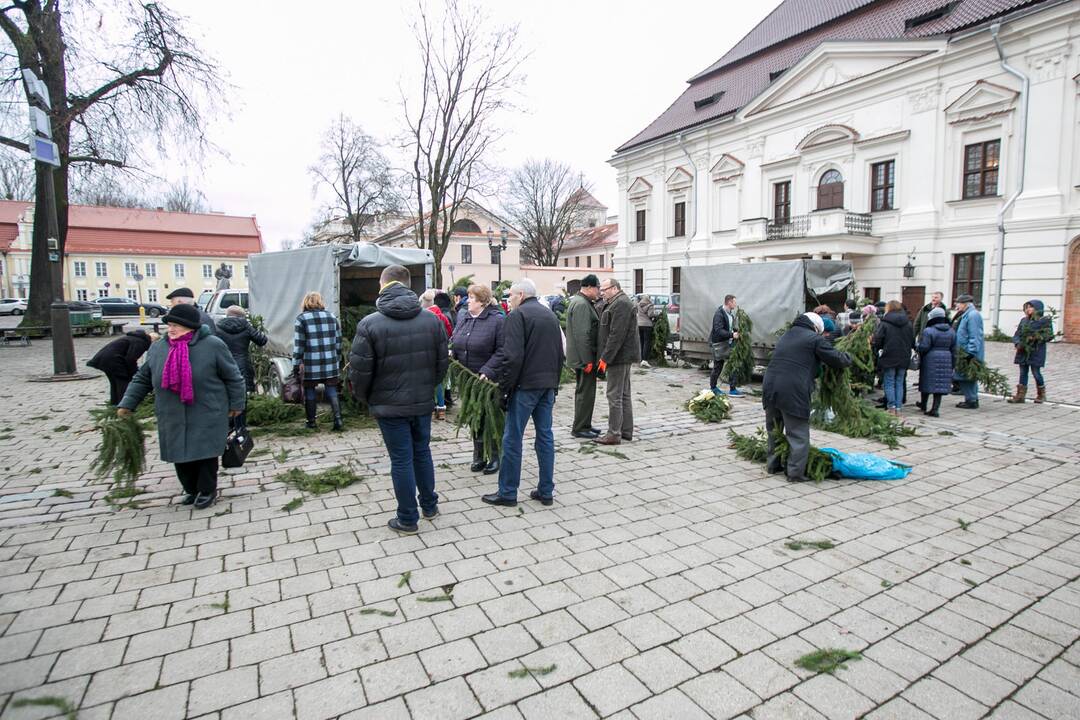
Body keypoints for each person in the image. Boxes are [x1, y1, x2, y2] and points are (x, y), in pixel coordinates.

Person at [349, 265, 447, 534]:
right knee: (422, 452)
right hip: (421, 401)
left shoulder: (369, 324)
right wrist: (428, 387)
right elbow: (442, 365)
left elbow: (359, 372)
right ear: (408, 285)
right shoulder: (432, 321)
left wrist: (365, 398)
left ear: (382, 285)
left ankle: (407, 518)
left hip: (388, 406)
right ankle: (429, 505)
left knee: (402, 459)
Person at [117, 303, 245, 509]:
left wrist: (237, 404)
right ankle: (191, 489)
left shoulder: (212, 345)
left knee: (205, 454)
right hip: (172, 412)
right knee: (179, 454)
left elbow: (233, 377)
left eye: (177, 325)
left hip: (206, 409)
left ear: (191, 327)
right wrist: (127, 404)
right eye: (170, 325)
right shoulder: (159, 348)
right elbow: (142, 378)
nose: (171, 329)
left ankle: (206, 491)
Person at [481, 279, 563, 507]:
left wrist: (504, 389)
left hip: (525, 387)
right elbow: (560, 353)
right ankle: (546, 490)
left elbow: (512, 357)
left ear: (521, 295)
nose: (509, 300)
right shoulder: (549, 315)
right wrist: (553, 385)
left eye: (511, 296)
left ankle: (507, 492)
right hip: (546, 385)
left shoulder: (518, 316)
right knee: (545, 436)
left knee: (512, 438)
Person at [762, 312, 852, 482]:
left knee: (774, 428)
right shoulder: (814, 339)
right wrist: (848, 358)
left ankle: (773, 465)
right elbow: (835, 358)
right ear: (816, 328)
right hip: (793, 389)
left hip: (770, 385)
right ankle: (795, 473)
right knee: (797, 432)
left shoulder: (787, 335)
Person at [451, 283, 505, 474]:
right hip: (469, 380)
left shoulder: (497, 320)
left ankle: (496, 455)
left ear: (482, 301)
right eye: (468, 297)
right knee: (476, 417)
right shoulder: (464, 317)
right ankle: (479, 455)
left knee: (490, 417)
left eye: (472, 298)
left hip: (488, 381)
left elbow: (502, 350)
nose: (468, 301)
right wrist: (453, 354)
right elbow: (456, 339)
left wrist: (488, 370)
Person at [595, 278, 640, 445]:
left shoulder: (620, 303)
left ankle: (614, 433)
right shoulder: (618, 302)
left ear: (614, 288)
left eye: (605, 289)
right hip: (621, 356)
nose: (602, 293)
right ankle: (625, 431)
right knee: (623, 394)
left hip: (618, 357)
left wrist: (605, 359)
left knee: (614, 395)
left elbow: (616, 335)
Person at [293, 291, 343, 431]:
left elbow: (299, 345)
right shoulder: (332, 317)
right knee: (331, 389)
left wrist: (296, 365)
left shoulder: (301, 319)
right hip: (330, 361)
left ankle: (311, 422)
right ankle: (338, 420)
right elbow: (338, 342)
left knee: (310, 390)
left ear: (305, 302)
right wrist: (337, 360)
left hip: (311, 363)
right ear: (321, 302)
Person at [565, 275, 601, 439]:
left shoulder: (583, 302)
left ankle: (585, 424)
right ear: (589, 288)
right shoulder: (581, 304)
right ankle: (579, 428)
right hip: (584, 358)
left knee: (587, 392)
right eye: (597, 288)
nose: (599, 292)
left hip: (584, 356)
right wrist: (587, 360)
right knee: (584, 393)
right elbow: (582, 335)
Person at [87, 329, 154, 405]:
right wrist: (135, 373)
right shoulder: (141, 343)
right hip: (114, 360)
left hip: (103, 359)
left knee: (114, 382)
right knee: (123, 382)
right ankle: (124, 406)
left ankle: (114, 404)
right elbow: (131, 359)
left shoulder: (133, 338)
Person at [873, 300, 915, 416]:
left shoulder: (885, 323)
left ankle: (891, 407)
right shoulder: (908, 323)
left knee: (889, 381)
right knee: (899, 382)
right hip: (904, 356)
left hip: (889, 356)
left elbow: (878, 340)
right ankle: (898, 407)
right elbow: (912, 341)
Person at [216, 306, 268, 394]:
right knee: (243, 393)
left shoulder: (218, 327)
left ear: (227, 315)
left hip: (223, 364)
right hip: (243, 365)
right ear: (242, 317)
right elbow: (262, 340)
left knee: (223, 391)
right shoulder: (246, 327)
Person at [1009, 299, 1052, 404]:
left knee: (1036, 372)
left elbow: (1048, 335)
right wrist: (1017, 343)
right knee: (1023, 372)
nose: (1028, 309)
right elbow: (1017, 334)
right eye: (1026, 307)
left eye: (1030, 307)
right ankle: (1020, 395)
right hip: (1023, 351)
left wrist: (1035, 338)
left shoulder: (1044, 320)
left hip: (1036, 351)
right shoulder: (1024, 320)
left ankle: (1041, 394)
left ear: (1037, 308)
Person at [916, 307, 955, 417]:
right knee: (940, 384)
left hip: (930, 359)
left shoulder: (929, 331)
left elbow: (924, 347)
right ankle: (935, 409)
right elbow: (954, 348)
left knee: (926, 381)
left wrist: (917, 347)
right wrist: (953, 363)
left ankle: (923, 404)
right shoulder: (951, 331)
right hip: (946, 358)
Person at [421, 289, 453, 420]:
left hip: (427, 352)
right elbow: (450, 331)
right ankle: (441, 409)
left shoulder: (423, 317)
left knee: (427, 380)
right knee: (439, 381)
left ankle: (431, 408)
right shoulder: (442, 316)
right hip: (441, 350)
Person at [953, 294, 984, 409]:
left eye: (958, 303)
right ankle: (971, 398)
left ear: (965, 304)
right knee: (966, 376)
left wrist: (971, 352)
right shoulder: (967, 314)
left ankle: (971, 400)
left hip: (967, 352)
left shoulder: (973, 315)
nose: (957, 305)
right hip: (963, 351)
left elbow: (975, 335)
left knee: (967, 377)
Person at [709, 294, 743, 397]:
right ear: (729, 302)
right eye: (734, 302)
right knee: (718, 367)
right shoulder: (719, 314)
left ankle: (732, 389)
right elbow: (718, 330)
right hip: (718, 344)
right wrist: (732, 334)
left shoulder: (730, 314)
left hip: (728, 344)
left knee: (734, 364)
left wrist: (737, 332)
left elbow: (729, 328)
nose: (735, 304)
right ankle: (713, 388)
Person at [636, 294, 656, 369]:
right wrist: (656, 316)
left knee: (641, 342)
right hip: (647, 325)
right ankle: (645, 360)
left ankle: (641, 358)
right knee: (647, 342)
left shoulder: (638, 305)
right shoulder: (650, 305)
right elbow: (650, 315)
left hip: (639, 325)